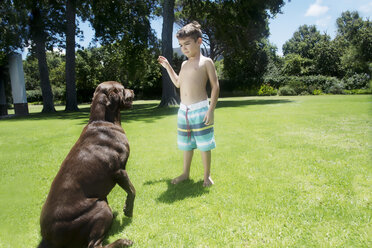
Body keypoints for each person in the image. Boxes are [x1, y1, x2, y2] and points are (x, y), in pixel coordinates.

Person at [158, 21, 220, 187]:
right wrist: (168, 67)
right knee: (186, 145)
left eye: (187, 44)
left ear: (199, 41)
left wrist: (211, 110)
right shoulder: (184, 64)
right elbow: (178, 83)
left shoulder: (206, 62)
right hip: (183, 111)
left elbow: (215, 86)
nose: (183, 48)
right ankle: (185, 173)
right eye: (180, 45)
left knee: (204, 144)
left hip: (200, 109)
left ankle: (207, 176)